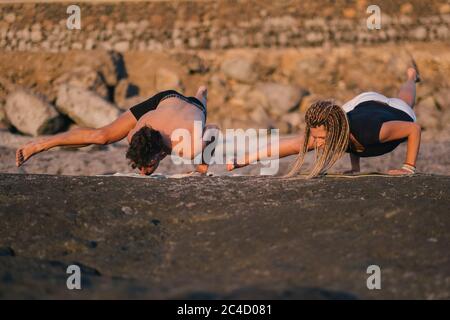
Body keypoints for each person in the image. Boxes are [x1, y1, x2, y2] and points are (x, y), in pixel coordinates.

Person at [227, 62, 422, 178]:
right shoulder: (332, 128)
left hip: (395, 111)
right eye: (316, 137)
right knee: (332, 127)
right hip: (361, 102)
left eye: (321, 138)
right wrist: (245, 160)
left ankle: (411, 77)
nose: (318, 143)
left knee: (405, 100)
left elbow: (414, 129)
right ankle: (411, 76)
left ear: (336, 131)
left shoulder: (376, 132)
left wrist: (408, 167)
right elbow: (287, 145)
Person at [16, 86, 219, 175]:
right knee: (102, 136)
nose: (143, 172)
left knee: (200, 102)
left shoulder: (189, 147)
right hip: (164, 101)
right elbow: (134, 137)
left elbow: (213, 130)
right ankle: (41, 144)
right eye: (142, 167)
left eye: (143, 167)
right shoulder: (139, 132)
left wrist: (202, 166)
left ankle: (202, 93)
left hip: (194, 107)